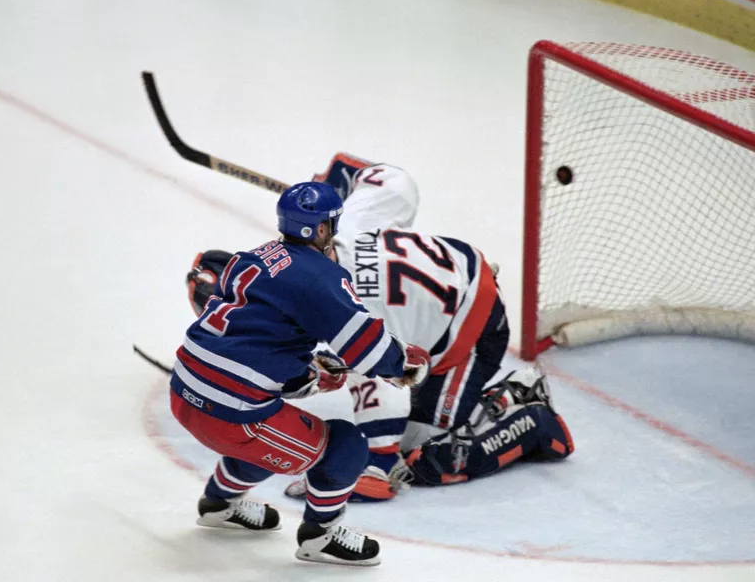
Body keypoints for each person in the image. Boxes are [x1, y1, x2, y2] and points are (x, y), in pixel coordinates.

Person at [187, 155, 573, 504]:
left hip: (471, 331)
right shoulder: (348, 222)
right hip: (459, 277)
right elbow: (393, 181)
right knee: (371, 362)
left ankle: (531, 416)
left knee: (425, 458)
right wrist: (336, 177)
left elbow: (378, 374)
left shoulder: (341, 305)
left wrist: (373, 462)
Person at [171, 180, 432, 566]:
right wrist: (405, 362)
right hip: (231, 415)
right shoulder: (320, 276)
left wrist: (307, 374)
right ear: (324, 229)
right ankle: (320, 536)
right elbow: (367, 346)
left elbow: (255, 336)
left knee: (271, 432)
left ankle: (218, 505)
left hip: (183, 392)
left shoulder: (256, 256)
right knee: (346, 445)